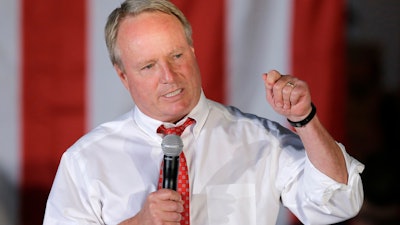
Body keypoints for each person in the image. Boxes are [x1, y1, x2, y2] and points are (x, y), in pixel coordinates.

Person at [43, 0, 364, 224]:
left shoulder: (260, 140)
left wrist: (305, 120)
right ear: (123, 76)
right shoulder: (86, 160)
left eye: (177, 55)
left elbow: (339, 203)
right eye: (149, 66)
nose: (169, 77)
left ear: (193, 52)